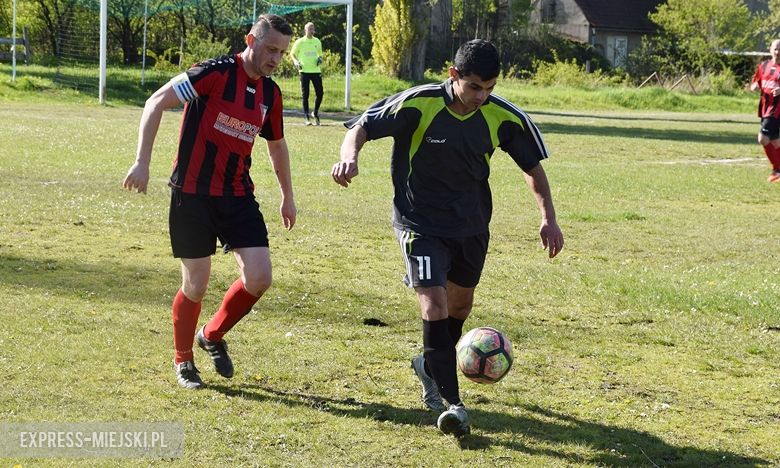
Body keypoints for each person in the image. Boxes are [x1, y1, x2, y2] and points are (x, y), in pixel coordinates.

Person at [331, 39, 564, 437]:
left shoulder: (502, 116)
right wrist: (350, 156)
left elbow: (532, 167)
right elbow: (362, 126)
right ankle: (452, 403)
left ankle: (428, 364)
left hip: (471, 227)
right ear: (453, 76)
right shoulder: (418, 103)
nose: (482, 96)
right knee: (434, 306)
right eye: (475, 87)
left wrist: (549, 218)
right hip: (419, 224)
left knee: (459, 306)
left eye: (490, 87)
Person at [122, 14, 297, 390]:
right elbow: (156, 102)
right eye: (270, 49)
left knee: (260, 277)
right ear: (251, 40)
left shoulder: (271, 94)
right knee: (196, 286)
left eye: (281, 53)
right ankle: (183, 360)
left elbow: (277, 145)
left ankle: (212, 334)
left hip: (237, 195)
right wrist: (142, 162)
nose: (275, 59)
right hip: (192, 195)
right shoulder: (213, 73)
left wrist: (287, 196)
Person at [751, 38, 780, 183]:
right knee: (774, 141)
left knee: (762, 138)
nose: (778, 52)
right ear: (770, 50)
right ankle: (778, 169)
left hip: (776, 110)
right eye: (775, 49)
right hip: (765, 107)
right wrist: (755, 85)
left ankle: (777, 169)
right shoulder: (764, 66)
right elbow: (757, 79)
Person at [289, 22, 324, 126]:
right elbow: (292, 54)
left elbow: (320, 54)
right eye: (310, 29)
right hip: (304, 71)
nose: (312, 30)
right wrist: (296, 62)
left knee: (320, 93)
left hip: (316, 71)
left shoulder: (317, 41)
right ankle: (306, 117)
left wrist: (320, 59)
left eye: (313, 28)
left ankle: (315, 112)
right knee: (306, 95)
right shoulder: (300, 41)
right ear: (305, 30)